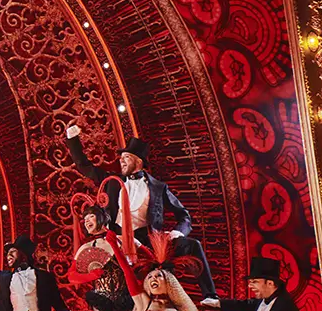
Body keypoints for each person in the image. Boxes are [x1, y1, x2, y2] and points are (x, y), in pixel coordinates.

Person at [64, 126, 216, 298]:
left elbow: (184, 215)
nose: (121, 161)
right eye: (121, 158)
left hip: (148, 240)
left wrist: (177, 232)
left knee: (192, 245)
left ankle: (210, 297)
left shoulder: (158, 187)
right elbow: (85, 167)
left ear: (138, 161)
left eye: (126, 158)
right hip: (117, 241)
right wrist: (72, 139)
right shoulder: (113, 181)